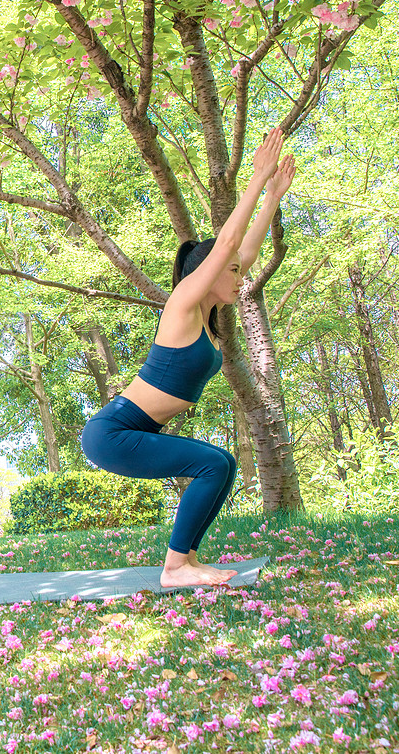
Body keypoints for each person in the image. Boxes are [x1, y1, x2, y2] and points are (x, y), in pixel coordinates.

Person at [80, 128, 295, 589]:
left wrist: (273, 196)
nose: (241, 277)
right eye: (232, 272)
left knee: (224, 465)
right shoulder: (181, 307)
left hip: (134, 429)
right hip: (112, 433)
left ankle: (187, 560)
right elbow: (226, 246)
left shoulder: (208, 315)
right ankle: (175, 568)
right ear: (208, 273)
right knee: (213, 463)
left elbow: (243, 249)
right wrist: (257, 179)